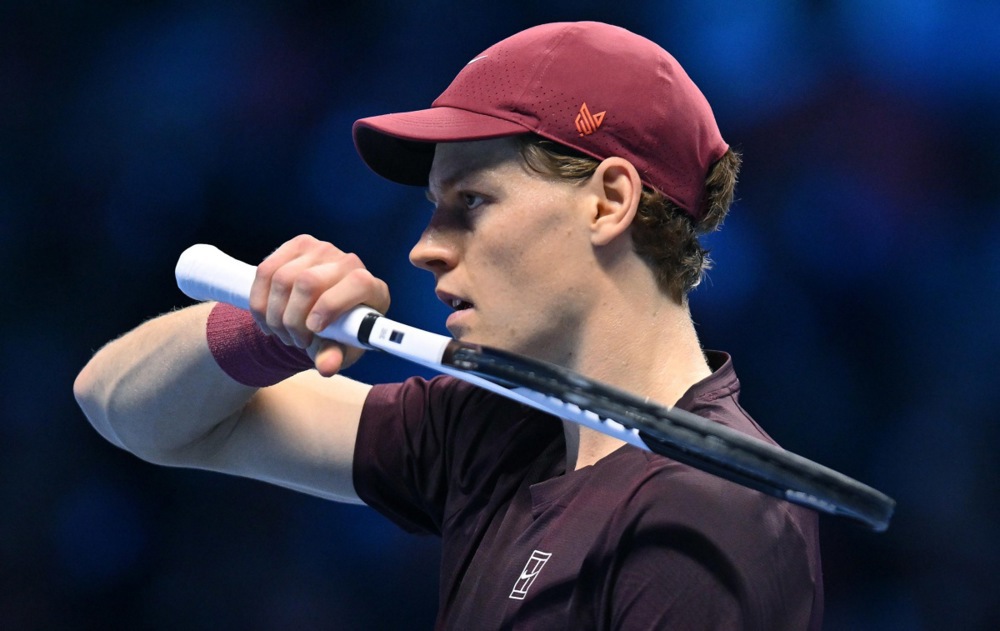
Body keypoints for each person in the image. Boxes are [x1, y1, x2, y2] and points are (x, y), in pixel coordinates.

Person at [75, 21, 823, 629]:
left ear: (608, 200)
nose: (424, 247)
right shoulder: (490, 425)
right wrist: (265, 331)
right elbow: (123, 407)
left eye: (471, 202)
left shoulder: (708, 517)